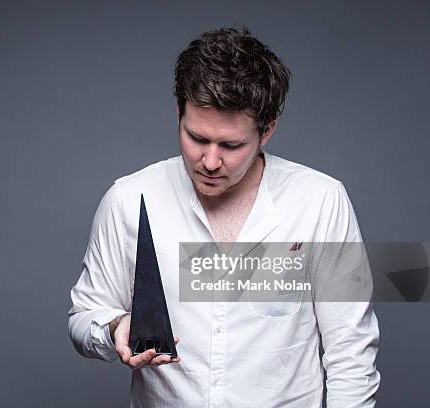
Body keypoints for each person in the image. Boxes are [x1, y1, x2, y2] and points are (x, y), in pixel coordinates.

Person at [68, 26, 380, 407]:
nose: (210, 162)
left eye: (231, 145)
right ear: (178, 112)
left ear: (267, 132)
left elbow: (351, 351)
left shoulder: (320, 201)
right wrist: (116, 327)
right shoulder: (129, 199)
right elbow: (84, 316)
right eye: (197, 138)